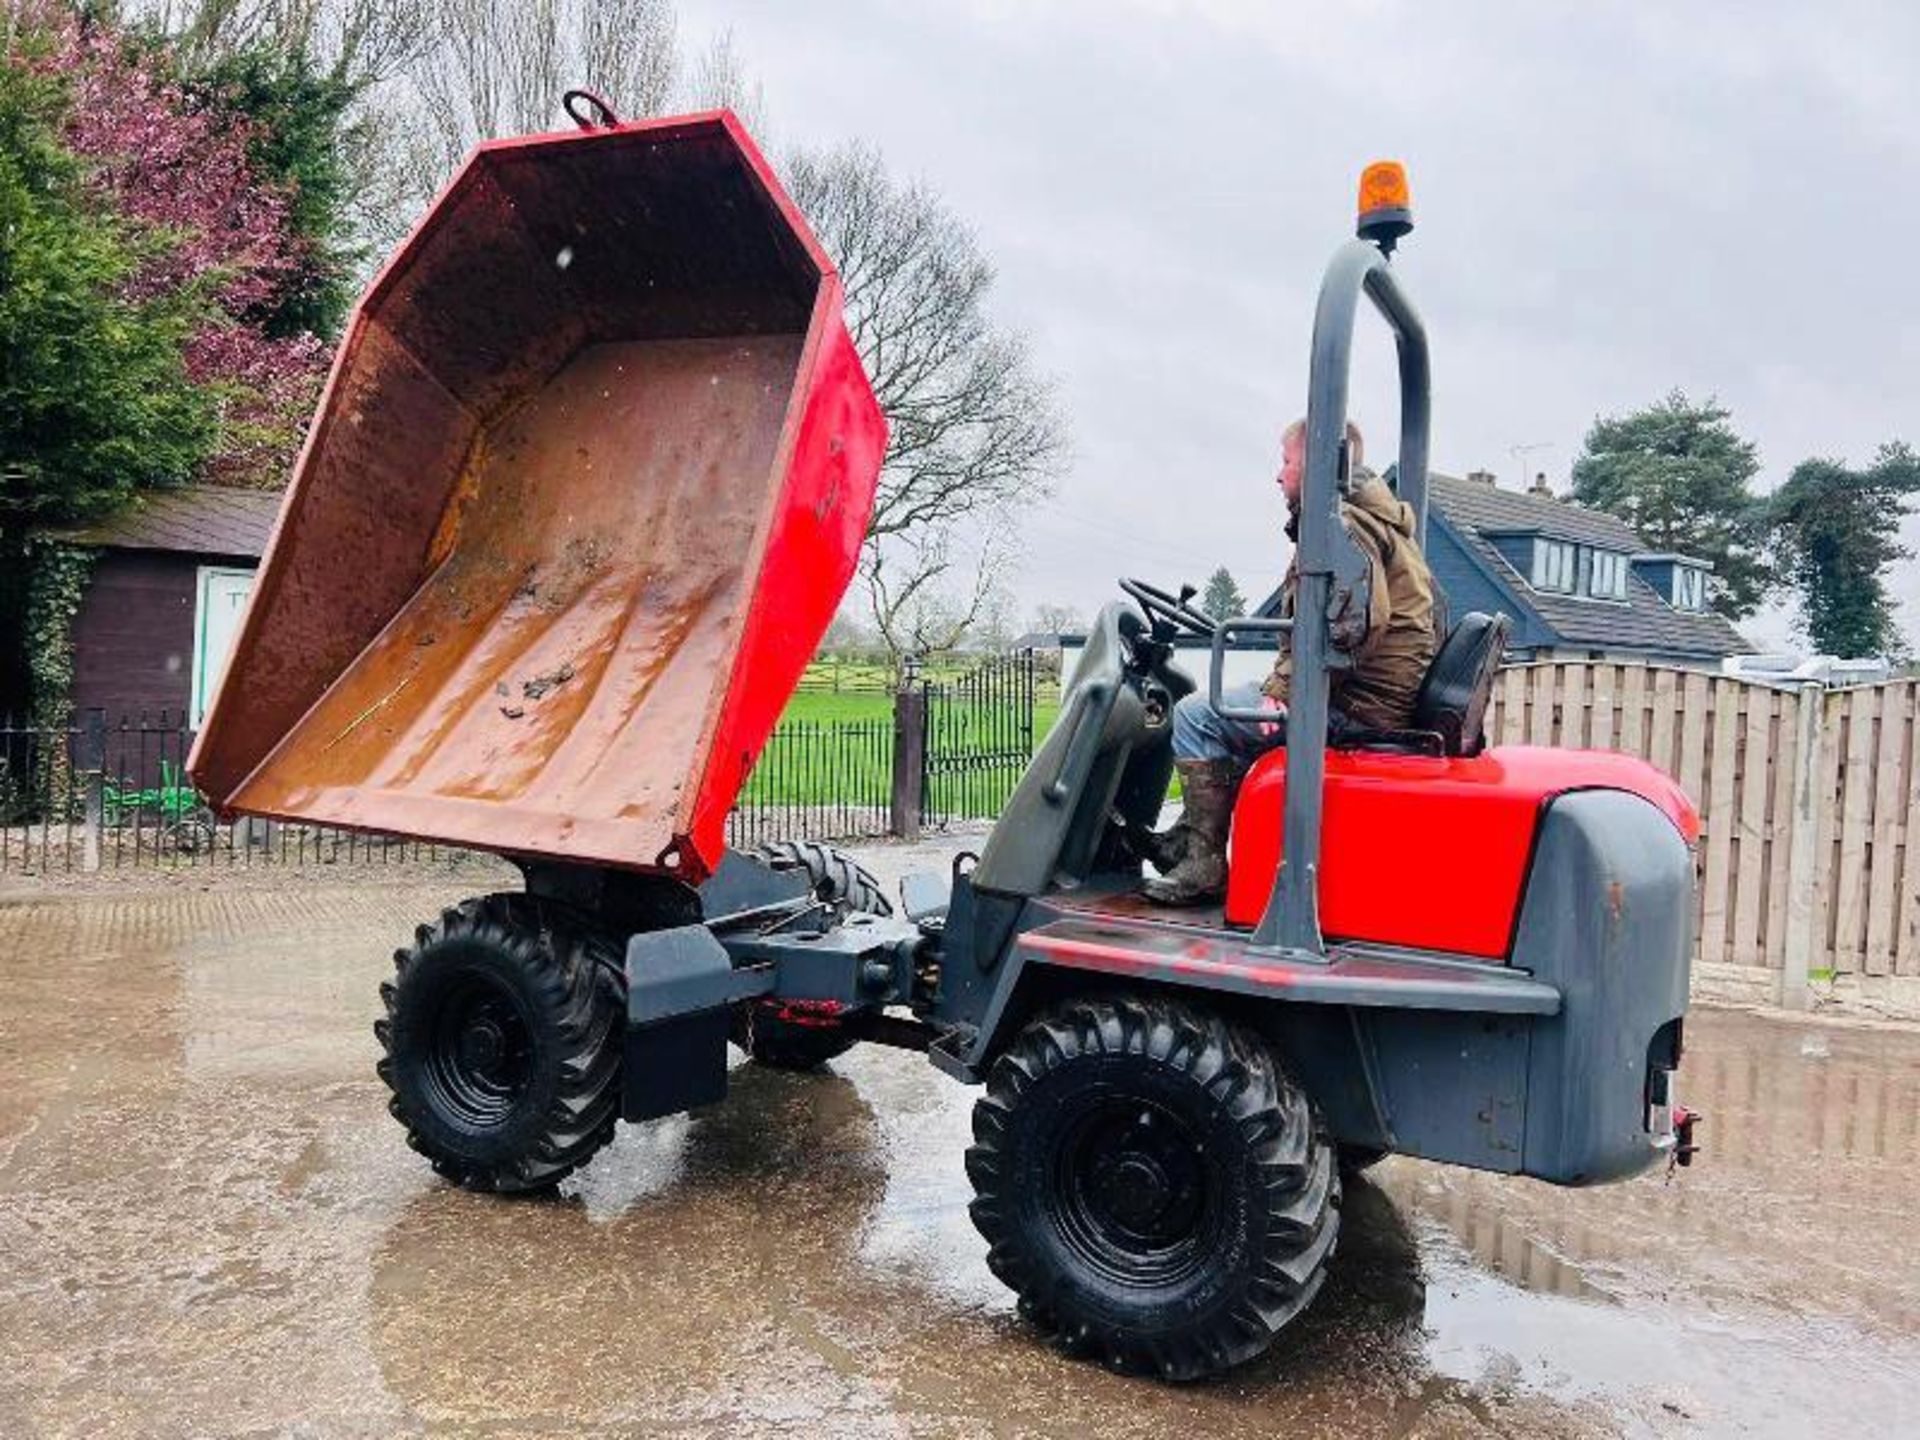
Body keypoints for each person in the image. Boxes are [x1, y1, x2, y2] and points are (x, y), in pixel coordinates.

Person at [1140, 418, 1439, 905]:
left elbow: (1352, 628)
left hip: (1357, 707)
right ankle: (1191, 837)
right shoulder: (1372, 519)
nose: (1278, 475)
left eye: (1286, 461)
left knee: (1197, 714)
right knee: (1234, 714)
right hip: (1371, 695)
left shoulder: (1344, 524)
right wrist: (1284, 683)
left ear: (1322, 462)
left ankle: (1204, 864)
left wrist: (1287, 691)